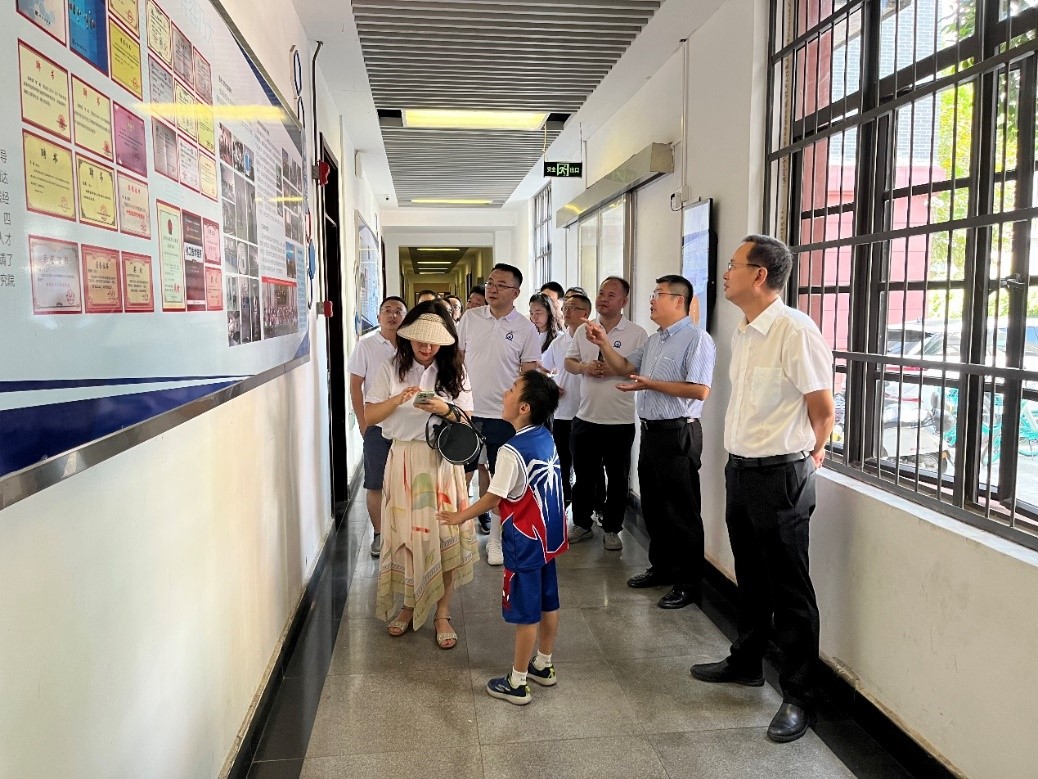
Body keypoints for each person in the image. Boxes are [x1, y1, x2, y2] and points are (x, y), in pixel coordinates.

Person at [690, 235, 835, 744]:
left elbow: (823, 411)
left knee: (791, 589)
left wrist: (808, 460)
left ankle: (800, 696)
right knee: (750, 576)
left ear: (759, 275)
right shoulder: (745, 330)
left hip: (782, 476)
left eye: (733, 265)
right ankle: (747, 661)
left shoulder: (795, 330)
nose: (725, 273)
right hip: (743, 471)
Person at [438, 371, 567, 705]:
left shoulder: (511, 450)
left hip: (525, 541)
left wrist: (460, 516)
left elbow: (493, 498)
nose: (505, 393)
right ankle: (544, 664)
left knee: (526, 613)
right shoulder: (545, 436)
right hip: (548, 539)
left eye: (512, 389)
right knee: (548, 602)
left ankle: (518, 682)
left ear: (524, 407)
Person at [586, 276, 715, 608]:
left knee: (682, 512)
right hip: (651, 432)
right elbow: (625, 367)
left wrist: (651, 384)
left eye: (658, 294)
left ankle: (688, 584)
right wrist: (603, 342)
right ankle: (662, 568)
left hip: (679, 433)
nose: (652, 300)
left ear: (678, 301)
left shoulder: (697, 339)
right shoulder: (656, 340)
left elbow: (700, 390)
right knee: (655, 509)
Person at [364, 302, 480, 649]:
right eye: (419, 340)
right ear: (408, 338)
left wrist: (445, 408)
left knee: (443, 533)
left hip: (441, 463)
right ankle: (409, 604)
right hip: (403, 458)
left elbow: (468, 420)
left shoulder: (454, 371)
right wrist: (399, 399)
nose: (426, 347)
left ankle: (442, 611)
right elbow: (370, 415)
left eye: (433, 341)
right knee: (405, 535)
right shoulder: (390, 367)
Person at [457, 264, 542, 565]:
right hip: (467, 412)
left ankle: (496, 540)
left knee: (500, 480)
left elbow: (528, 376)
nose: (492, 289)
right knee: (461, 475)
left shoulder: (525, 328)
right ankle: (458, 538)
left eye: (501, 285)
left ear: (515, 293)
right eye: (490, 283)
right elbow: (457, 360)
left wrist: (522, 417)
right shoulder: (470, 318)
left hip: (503, 417)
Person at [564, 276, 648, 551]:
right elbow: (569, 362)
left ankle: (613, 529)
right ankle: (581, 523)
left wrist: (612, 370)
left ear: (624, 301)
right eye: (601, 293)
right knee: (584, 477)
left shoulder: (636, 333)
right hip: (586, 416)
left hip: (619, 420)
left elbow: (637, 371)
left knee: (618, 478)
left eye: (611, 295)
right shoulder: (584, 329)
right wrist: (585, 368)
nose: (604, 299)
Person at [348, 296, 408, 557]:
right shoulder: (367, 345)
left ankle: (404, 532)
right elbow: (355, 386)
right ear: (379, 315)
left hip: (406, 425)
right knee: (375, 482)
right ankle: (380, 534)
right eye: (387, 310)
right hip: (377, 424)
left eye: (398, 311)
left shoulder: (411, 345)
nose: (392, 315)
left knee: (405, 481)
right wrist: (363, 423)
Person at [541, 293, 591, 510]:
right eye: (565, 308)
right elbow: (543, 369)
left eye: (573, 308)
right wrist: (552, 385)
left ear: (585, 313)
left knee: (587, 463)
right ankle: (563, 498)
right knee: (562, 459)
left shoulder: (593, 338)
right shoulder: (558, 342)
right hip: (563, 411)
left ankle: (592, 504)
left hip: (588, 412)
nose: (567, 312)